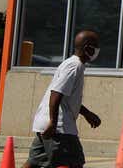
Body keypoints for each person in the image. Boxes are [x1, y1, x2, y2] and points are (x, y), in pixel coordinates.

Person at [27, 30, 102, 168]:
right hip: (60, 128)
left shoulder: (73, 64)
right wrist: (53, 123)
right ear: (87, 48)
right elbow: (56, 93)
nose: (98, 50)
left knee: (34, 163)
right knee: (74, 162)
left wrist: (87, 113)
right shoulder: (74, 66)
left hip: (48, 124)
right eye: (95, 46)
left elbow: (66, 98)